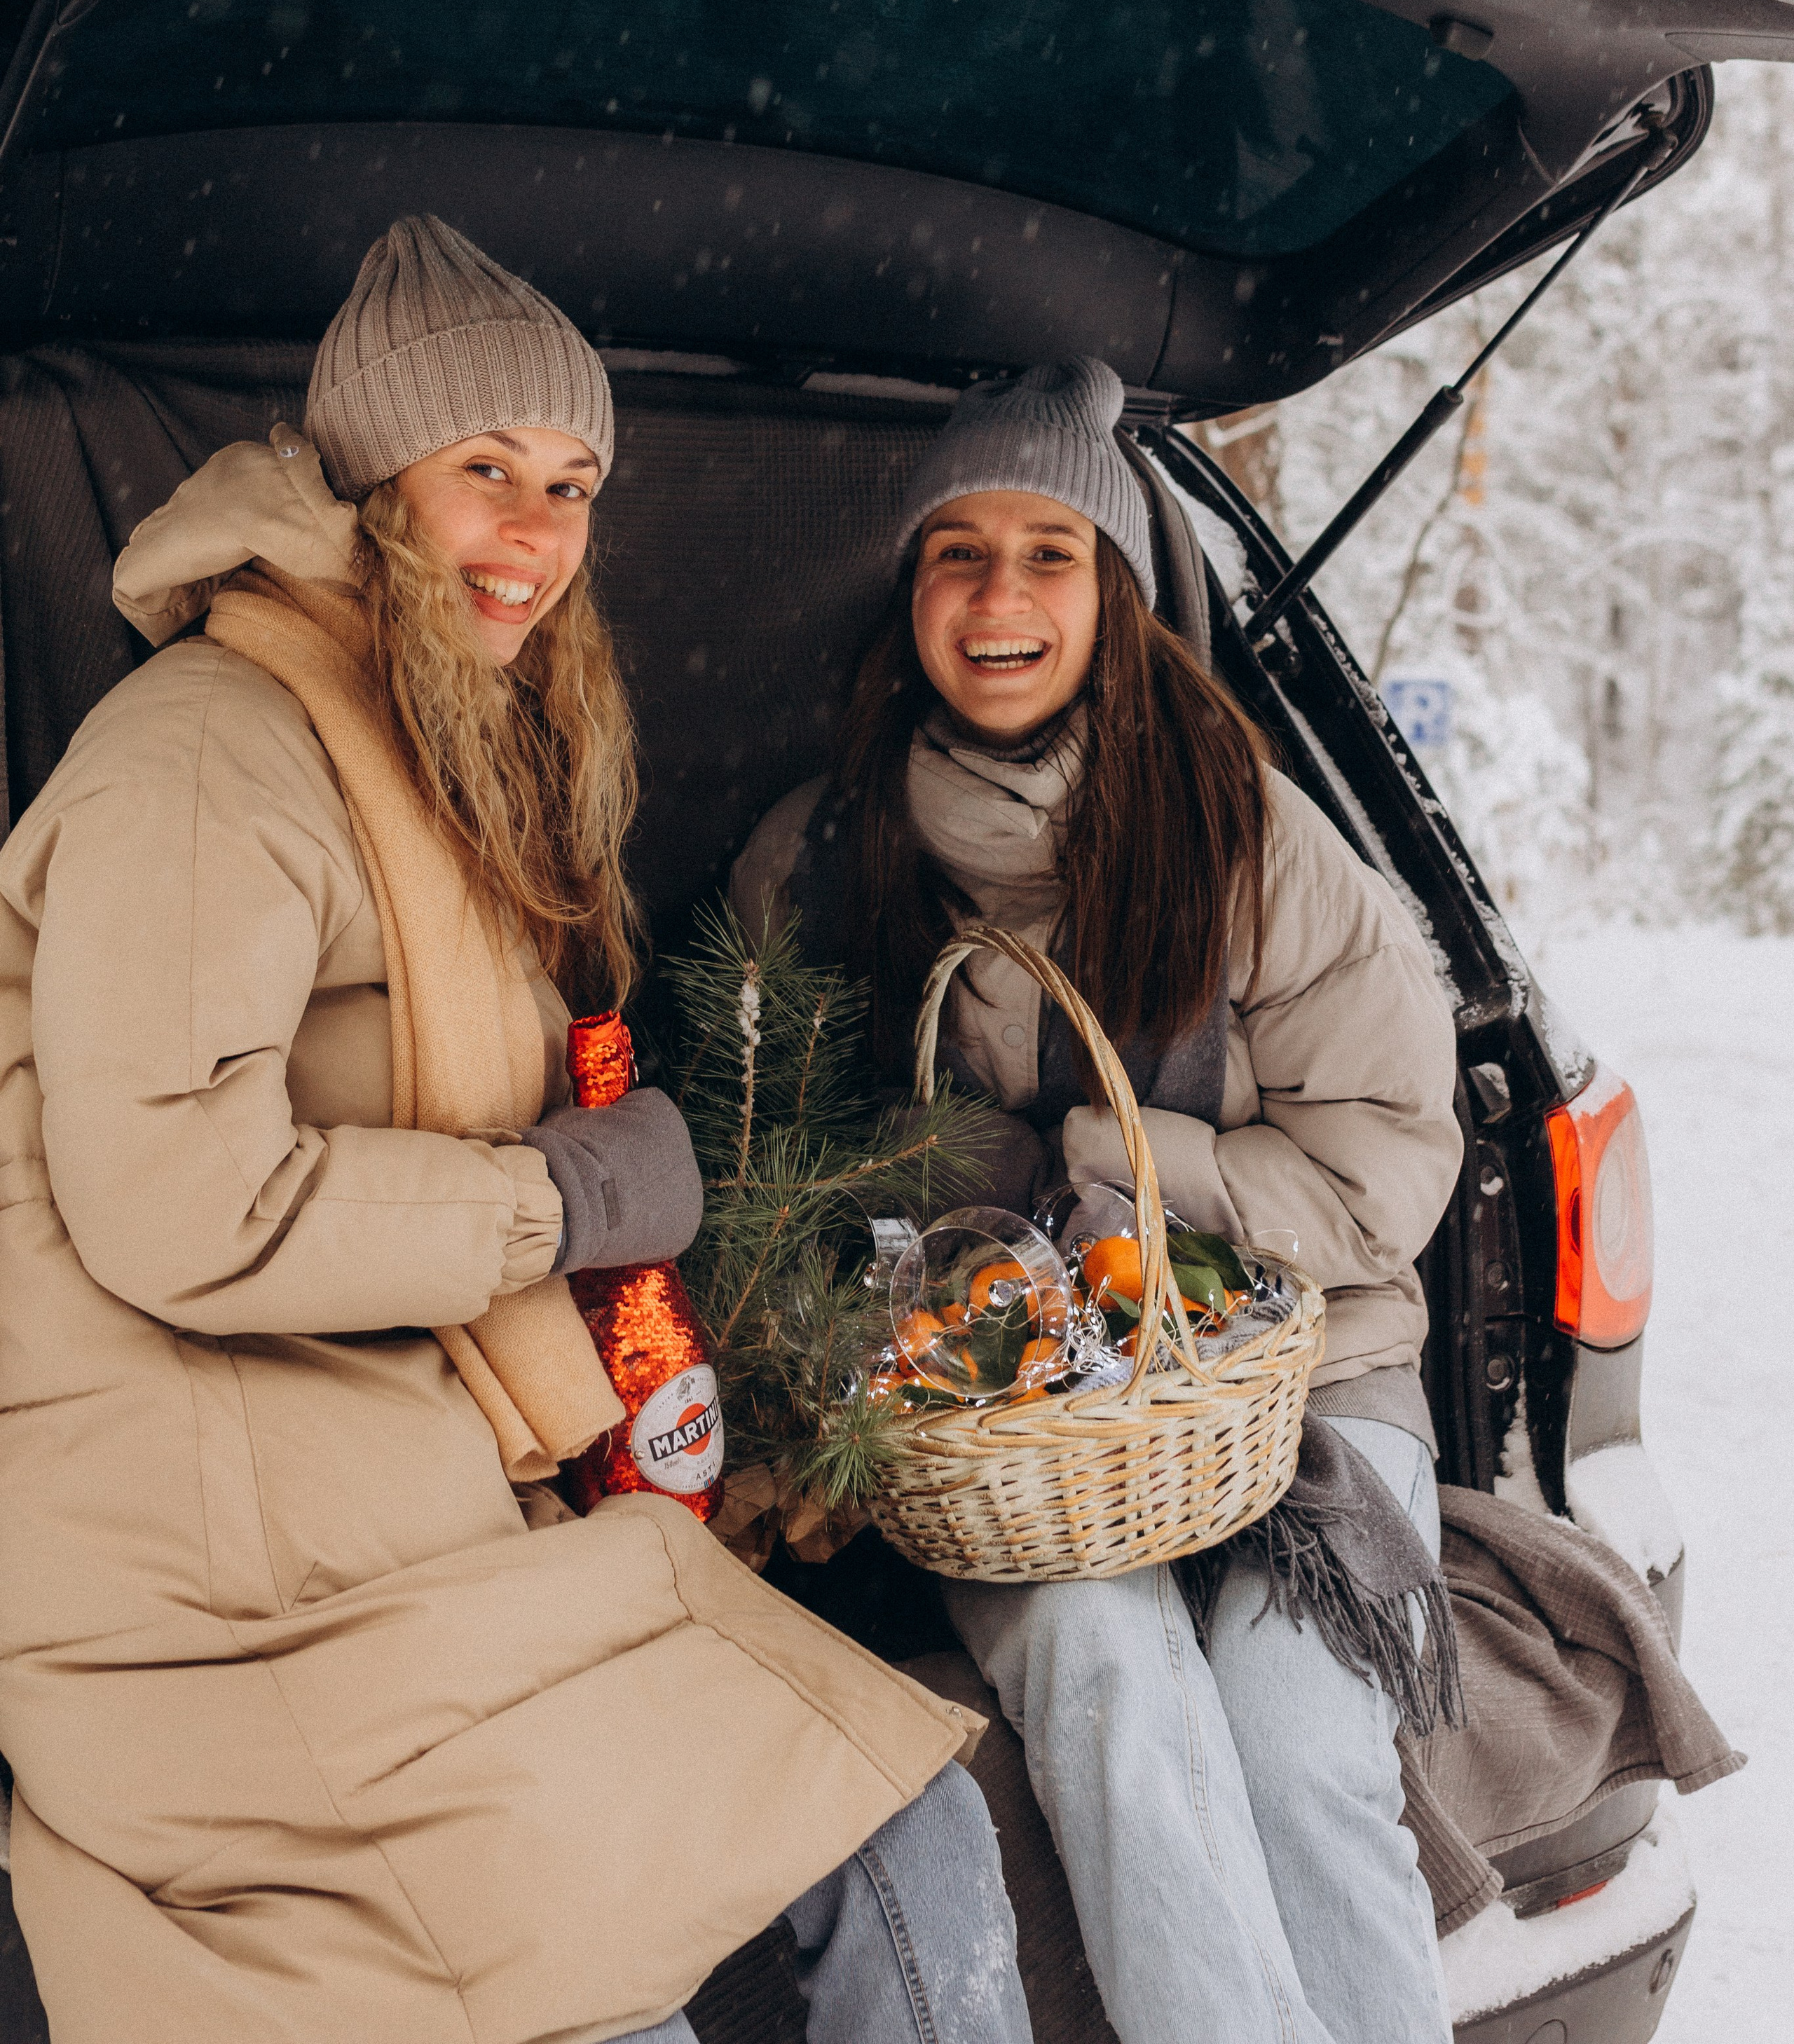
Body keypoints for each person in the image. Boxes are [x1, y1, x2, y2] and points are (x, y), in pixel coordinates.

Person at [0, 215, 1032, 2044]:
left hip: (403, 1527)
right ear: (369, 478)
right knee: (754, 1907)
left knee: (910, 1835)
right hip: (229, 1604)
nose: (538, 536)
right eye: (488, 471)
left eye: (569, 483)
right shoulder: (203, 758)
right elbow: (174, 1204)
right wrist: (549, 1206)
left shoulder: (416, 754)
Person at [732, 358, 1465, 2044]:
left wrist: (1110, 1168)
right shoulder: (820, 860)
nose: (999, 598)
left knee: (1292, 1741)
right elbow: (761, 1180)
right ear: (906, 589)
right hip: (1001, 1431)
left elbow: (1382, 1172)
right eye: (955, 552)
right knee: (1106, 1681)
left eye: (1048, 552)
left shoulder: (1247, 840)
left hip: (1291, 1380)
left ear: (1115, 589)